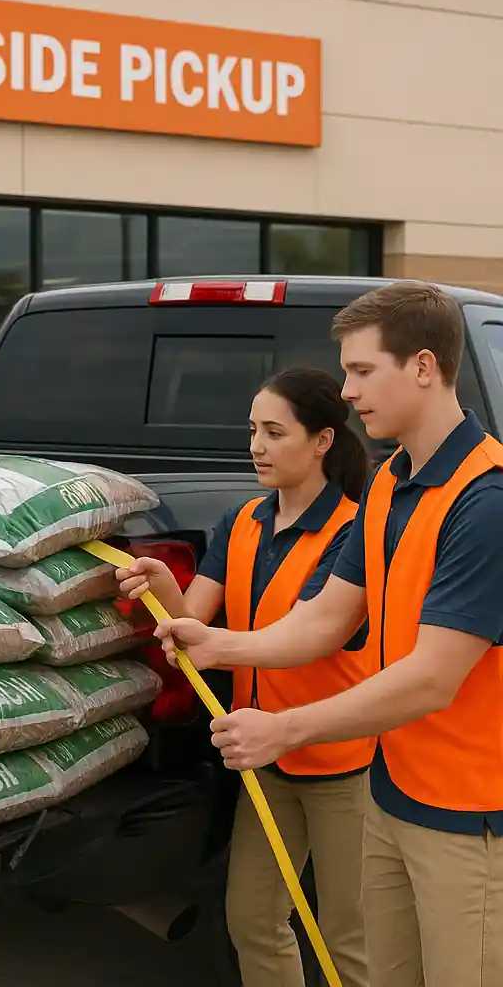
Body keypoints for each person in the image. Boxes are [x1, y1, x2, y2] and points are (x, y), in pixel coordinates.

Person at [156, 281, 503, 987]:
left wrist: (287, 730)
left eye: (362, 370)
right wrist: (217, 644)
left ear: (425, 367)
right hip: (392, 791)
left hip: (469, 818)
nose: (345, 391)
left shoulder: (485, 500)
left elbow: (434, 676)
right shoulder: (389, 484)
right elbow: (325, 618)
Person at [117, 366, 372, 987]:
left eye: (274, 432)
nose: (256, 445)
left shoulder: (355, 534)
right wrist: (163, 587)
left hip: (343, 764)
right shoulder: (242, 523)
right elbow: (192, 623)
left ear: (322, 442)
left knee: (349, 940)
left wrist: (213, 644)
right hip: (264, 758)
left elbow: (310, 637)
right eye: (253, 430)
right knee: (253, 919)